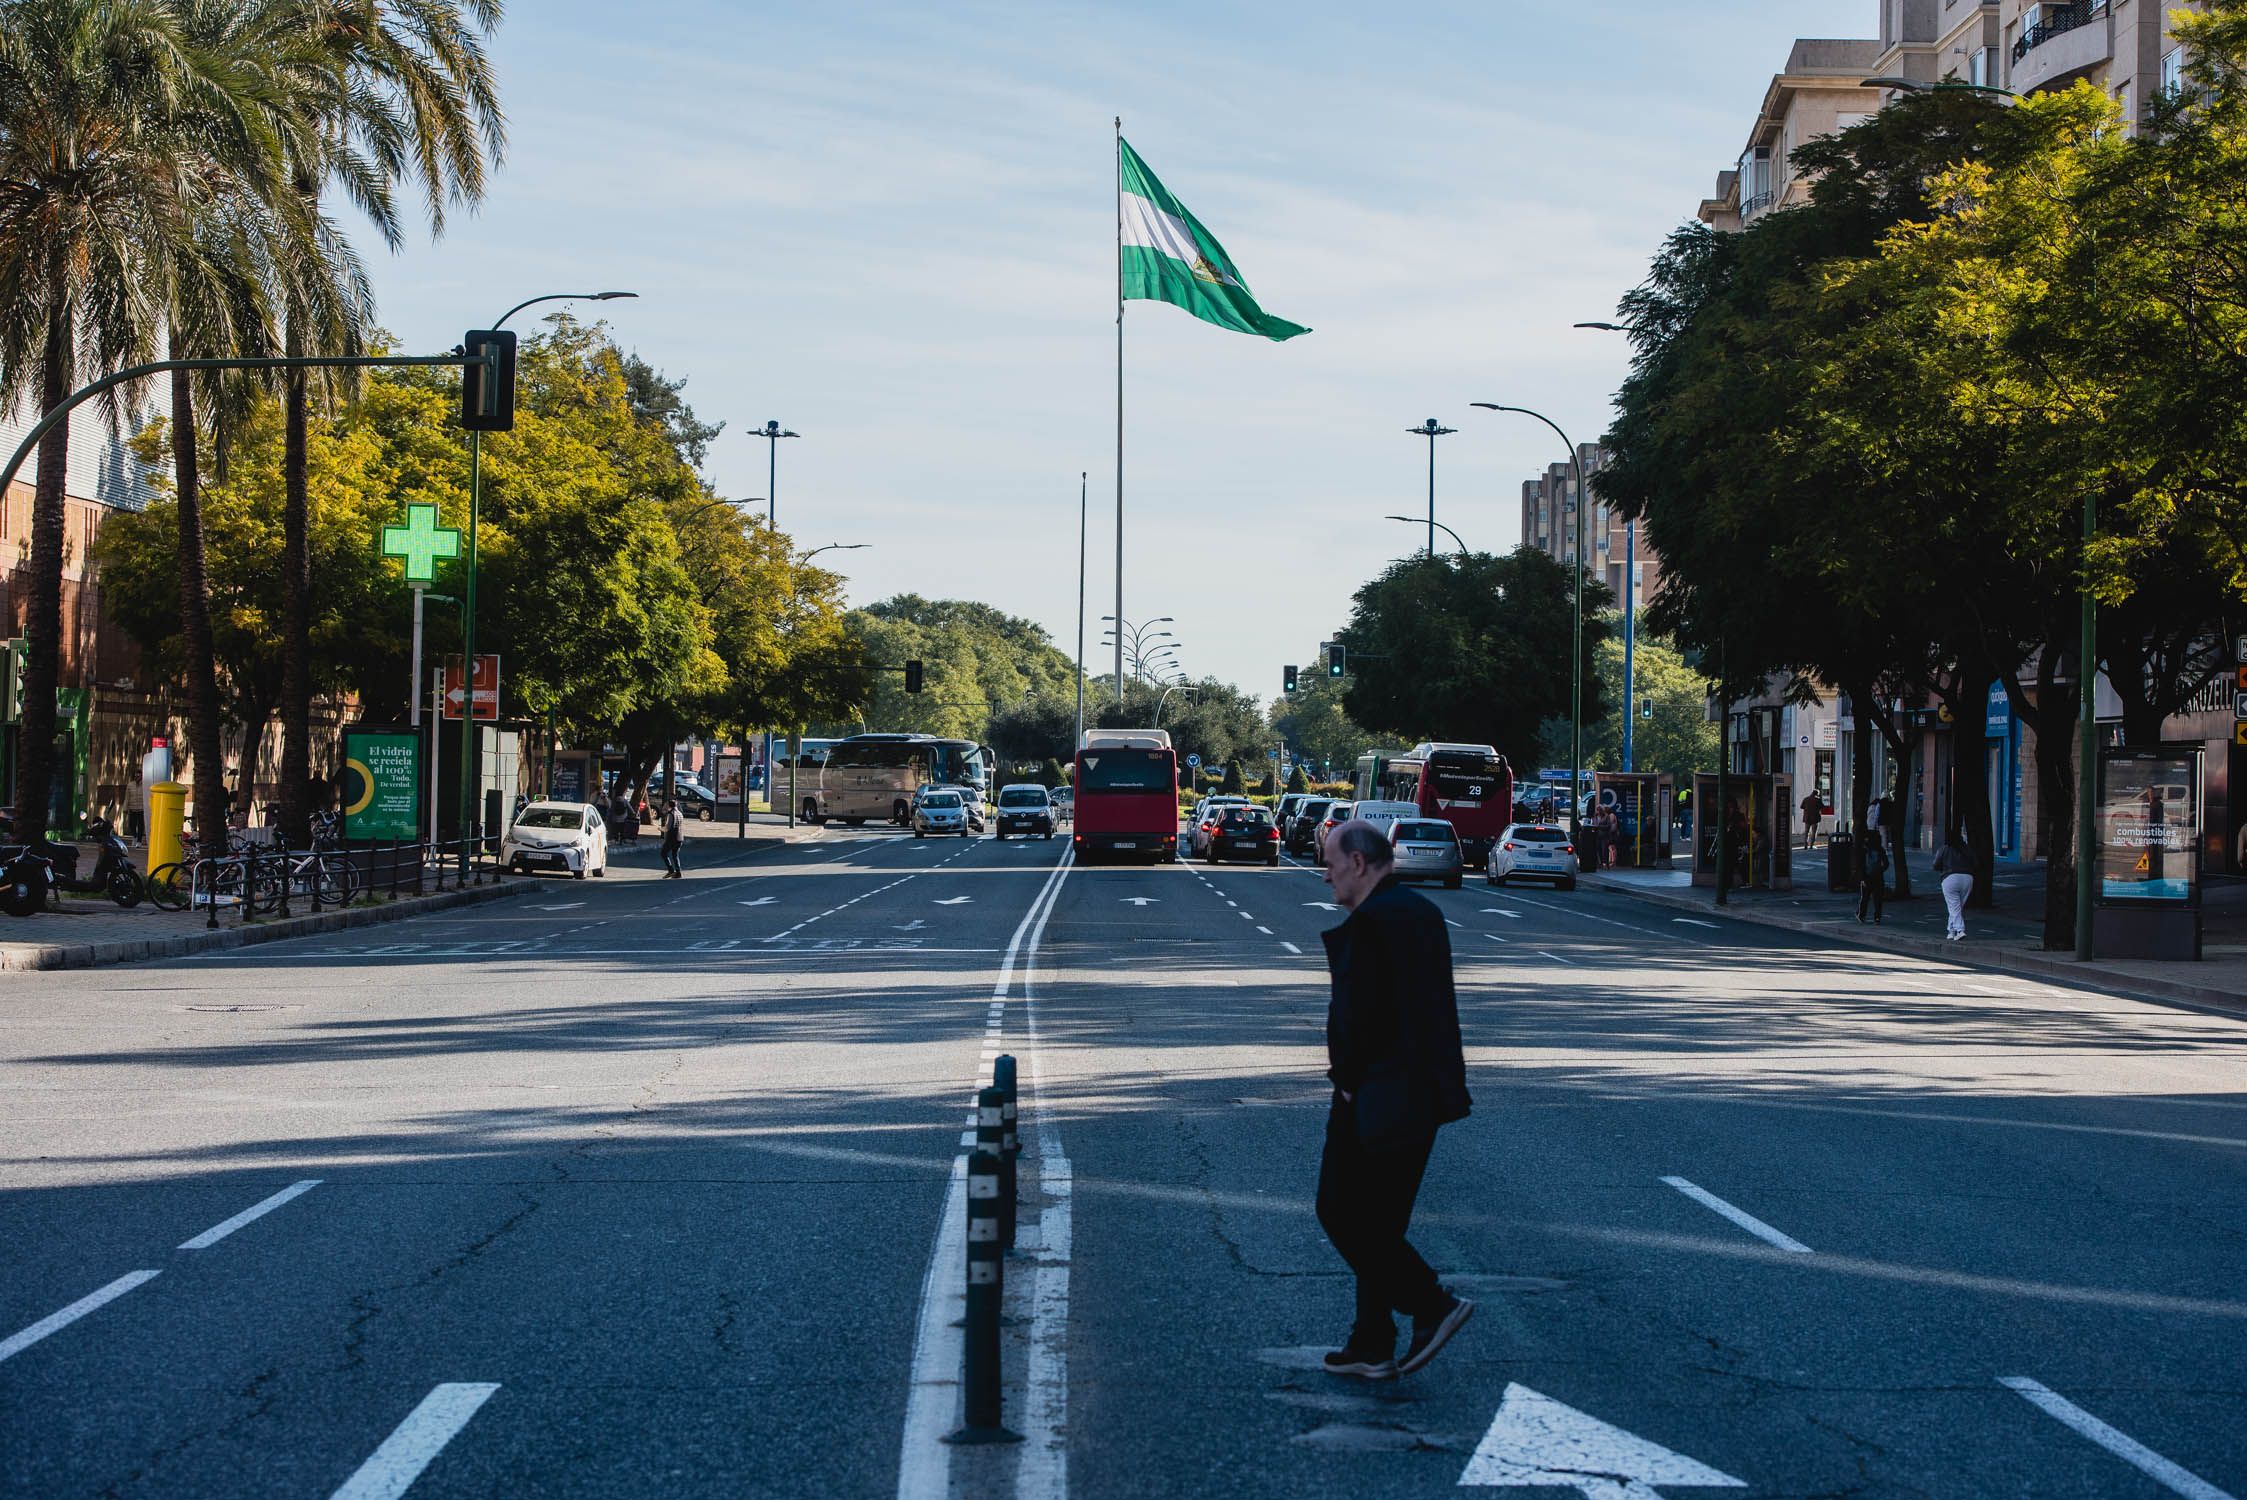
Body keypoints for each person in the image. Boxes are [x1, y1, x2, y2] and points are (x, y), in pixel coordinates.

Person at [1315, 819, 1475, 1380]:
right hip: (1424, 1094)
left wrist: (1348, 1079)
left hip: (1378, 1094)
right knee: (1379, 1224)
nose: (1327, 877)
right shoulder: (1420, 912)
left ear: (1359, 863)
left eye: (1332, 866)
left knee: (1339, 1211)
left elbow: (1362, 1016)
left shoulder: (1374, 922)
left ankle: (1431, 1304)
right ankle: (1372, 1341)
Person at [1935, 835, 1973, 941]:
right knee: (1957, 906)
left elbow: (1935, 864)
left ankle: (1960, 930)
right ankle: (1951, 931)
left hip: (1950, 877)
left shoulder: (1945, 848)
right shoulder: (1967, 849)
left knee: (1954, 906)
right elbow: (1976, 862)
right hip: (1967, 877)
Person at [1857, 824, 1889, 924]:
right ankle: (1877, 917)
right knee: (1877, 899)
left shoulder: (1864, 850)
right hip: (1878, 876)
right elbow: (1886, 863)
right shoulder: (1880, 850)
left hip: (1867, 876)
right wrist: (1881, 870)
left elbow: (1861, 865)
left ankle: (1862, 915)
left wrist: (1862, 878)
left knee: (1865, 898)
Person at [660, 798, 685, 878]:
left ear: (669, 806)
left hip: (672, 838)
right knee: (675, 855)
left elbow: (668, 827)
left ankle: (671, 870)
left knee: (663, 853)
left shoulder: (671, 814)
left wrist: (661, 829)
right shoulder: (680, 814)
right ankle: (678, 872)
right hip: (680, 837)